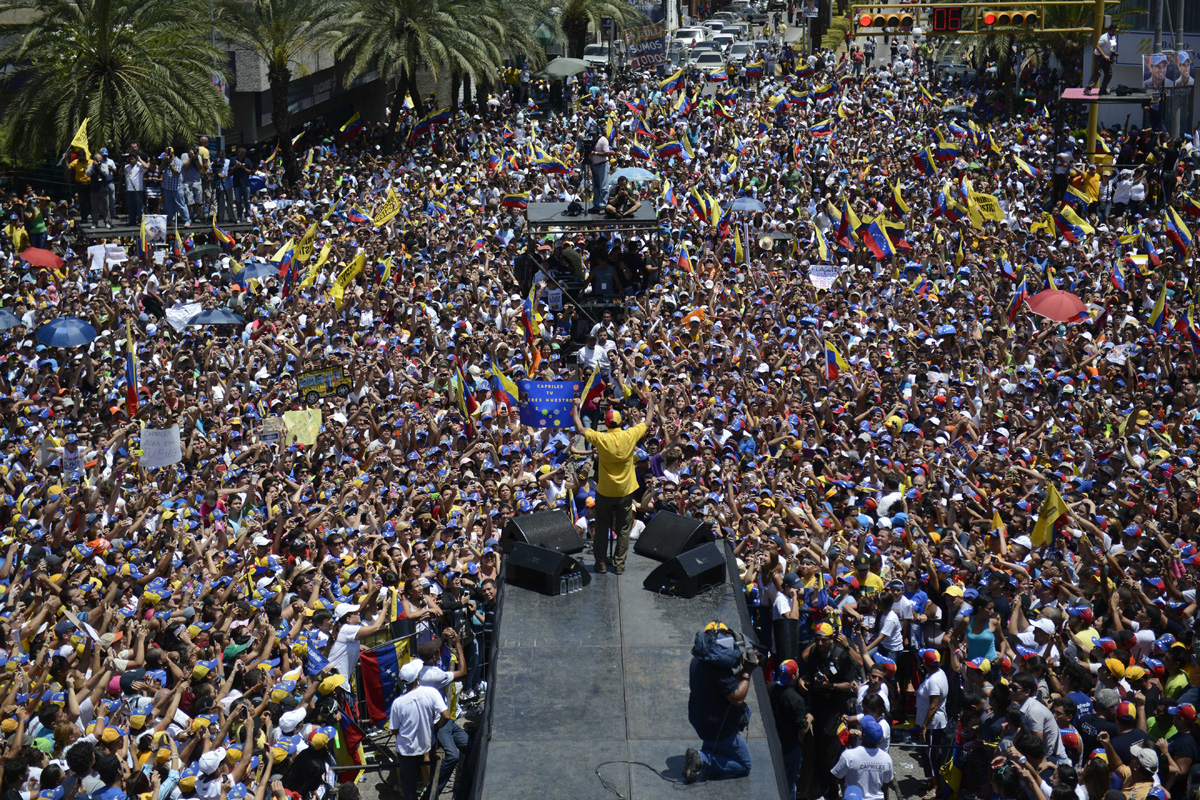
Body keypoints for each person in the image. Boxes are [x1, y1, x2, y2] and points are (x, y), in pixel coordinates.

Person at [571, 393, 655, 574]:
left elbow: (580, 429)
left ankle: (600, 564)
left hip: (605, 491)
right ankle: (619, 565)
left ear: (606, 423)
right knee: (624, 529)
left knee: (601, 528)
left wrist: (575, 407)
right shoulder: (630, 435)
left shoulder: (602, 438)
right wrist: (651, 402)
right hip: (625, 491)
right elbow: (647, 423)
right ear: (620, 421)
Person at [684, 623, 754, 783]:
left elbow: (724, 686)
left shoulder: (698, 660)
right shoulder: (719, 670)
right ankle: (702, 759)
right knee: (744, 764)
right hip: (718, 727)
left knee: (747, 710)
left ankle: (709, 750)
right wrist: (748, 672)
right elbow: (737, 698)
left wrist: (741, 672)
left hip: (701, 718)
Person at [389, 659, 451, 800]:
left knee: (408, 784)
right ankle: (425, 787)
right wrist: (435, 727)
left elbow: (394, 730)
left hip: (405, 749)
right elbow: (446, 715)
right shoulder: (431, 692)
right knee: (425, 761)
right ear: (417, 677)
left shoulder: (398, 703)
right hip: (425, 744)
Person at [768, 659, 809, 799]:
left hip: (773, 741)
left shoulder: (770, 689)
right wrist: (810, 718)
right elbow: (802, 729)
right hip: (790, 748)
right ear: (793, 677)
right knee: (789, 784)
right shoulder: (796, 700)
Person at [830, 715, 894, 800]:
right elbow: (885, 784)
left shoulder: (849, 755)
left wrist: (849, 780)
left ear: (863, 735)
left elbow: (835, 777)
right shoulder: (886, 759)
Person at [85, 149, 116, 228]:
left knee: (106, 207)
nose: (99, 161)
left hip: (103, 189)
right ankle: (94, 223)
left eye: (100, 160)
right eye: (97, 160)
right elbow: (87, 173)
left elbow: (106, 173)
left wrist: (99, 167)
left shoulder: (104, 165)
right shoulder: (91, 166)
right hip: (94, 190)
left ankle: (107, 222)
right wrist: (93, 166)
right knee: (94, 207)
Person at [1086, 23, 1118, 95]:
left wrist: (1113, 51)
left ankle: (1103, 89)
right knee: (1097, 73)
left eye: (1115, 31)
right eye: (1113, 31)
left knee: (1109, 73)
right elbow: (1098, 46)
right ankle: (1088, 89)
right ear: (1109, 30)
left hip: (1107, 57)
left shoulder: (1113, 37)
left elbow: (1112, 46)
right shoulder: (1104, 37)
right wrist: (1104, 56)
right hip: (1099, 56)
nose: (1114, 32)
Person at [123, 148, 150, 227]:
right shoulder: (127, 167)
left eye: (133, 159)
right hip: (129, 189)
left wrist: (139, 159)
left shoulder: (139, 166)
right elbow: (121, 173)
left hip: (138, 189)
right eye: (130, 159)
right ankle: (132, 221)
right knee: (131, 206)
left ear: (135, 159)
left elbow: (146, 167)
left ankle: (140, 220)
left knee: (139, 206)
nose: (131, 161)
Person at [588, 127, 611, 215]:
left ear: (597, 132)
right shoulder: (590, 140)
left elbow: (607, 153)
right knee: (595, 186)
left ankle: (603, 206)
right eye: (591, 133)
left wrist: (595, 153)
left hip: (603, 164)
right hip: (594, 165)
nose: (593, 135)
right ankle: (596, 206)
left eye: (594, 133)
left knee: (603, 186)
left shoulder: (603, 140)